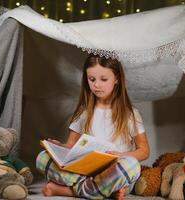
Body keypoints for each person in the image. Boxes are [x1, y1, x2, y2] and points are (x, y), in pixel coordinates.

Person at [36, 53, 150, 200]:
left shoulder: (130, 114)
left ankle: (71, 190)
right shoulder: (83, 112)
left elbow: (144, 151)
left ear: (117, 79)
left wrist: (120, 155)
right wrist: (58, 147)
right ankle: (101, 190)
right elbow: (70, 145)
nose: (96, 85)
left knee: (131, 165)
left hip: (115, 172)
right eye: (92, 79)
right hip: (86, 171)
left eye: (103, 79)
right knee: (42, 158)